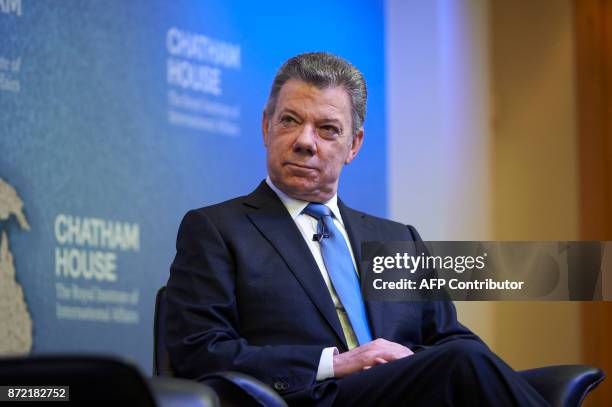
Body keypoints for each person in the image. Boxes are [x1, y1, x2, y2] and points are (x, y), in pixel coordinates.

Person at [165, 52, 549, 406]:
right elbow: (200, 351)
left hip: (406, 396)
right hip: (309, 399)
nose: (303, 142)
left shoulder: (397, 239)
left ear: (354, 146)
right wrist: (337, 363)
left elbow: (451, 339)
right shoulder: (217, 229)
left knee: (466, 358)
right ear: (267, 127)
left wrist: (406, 363)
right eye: (289, 120)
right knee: (462, 363)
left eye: (327, 129)